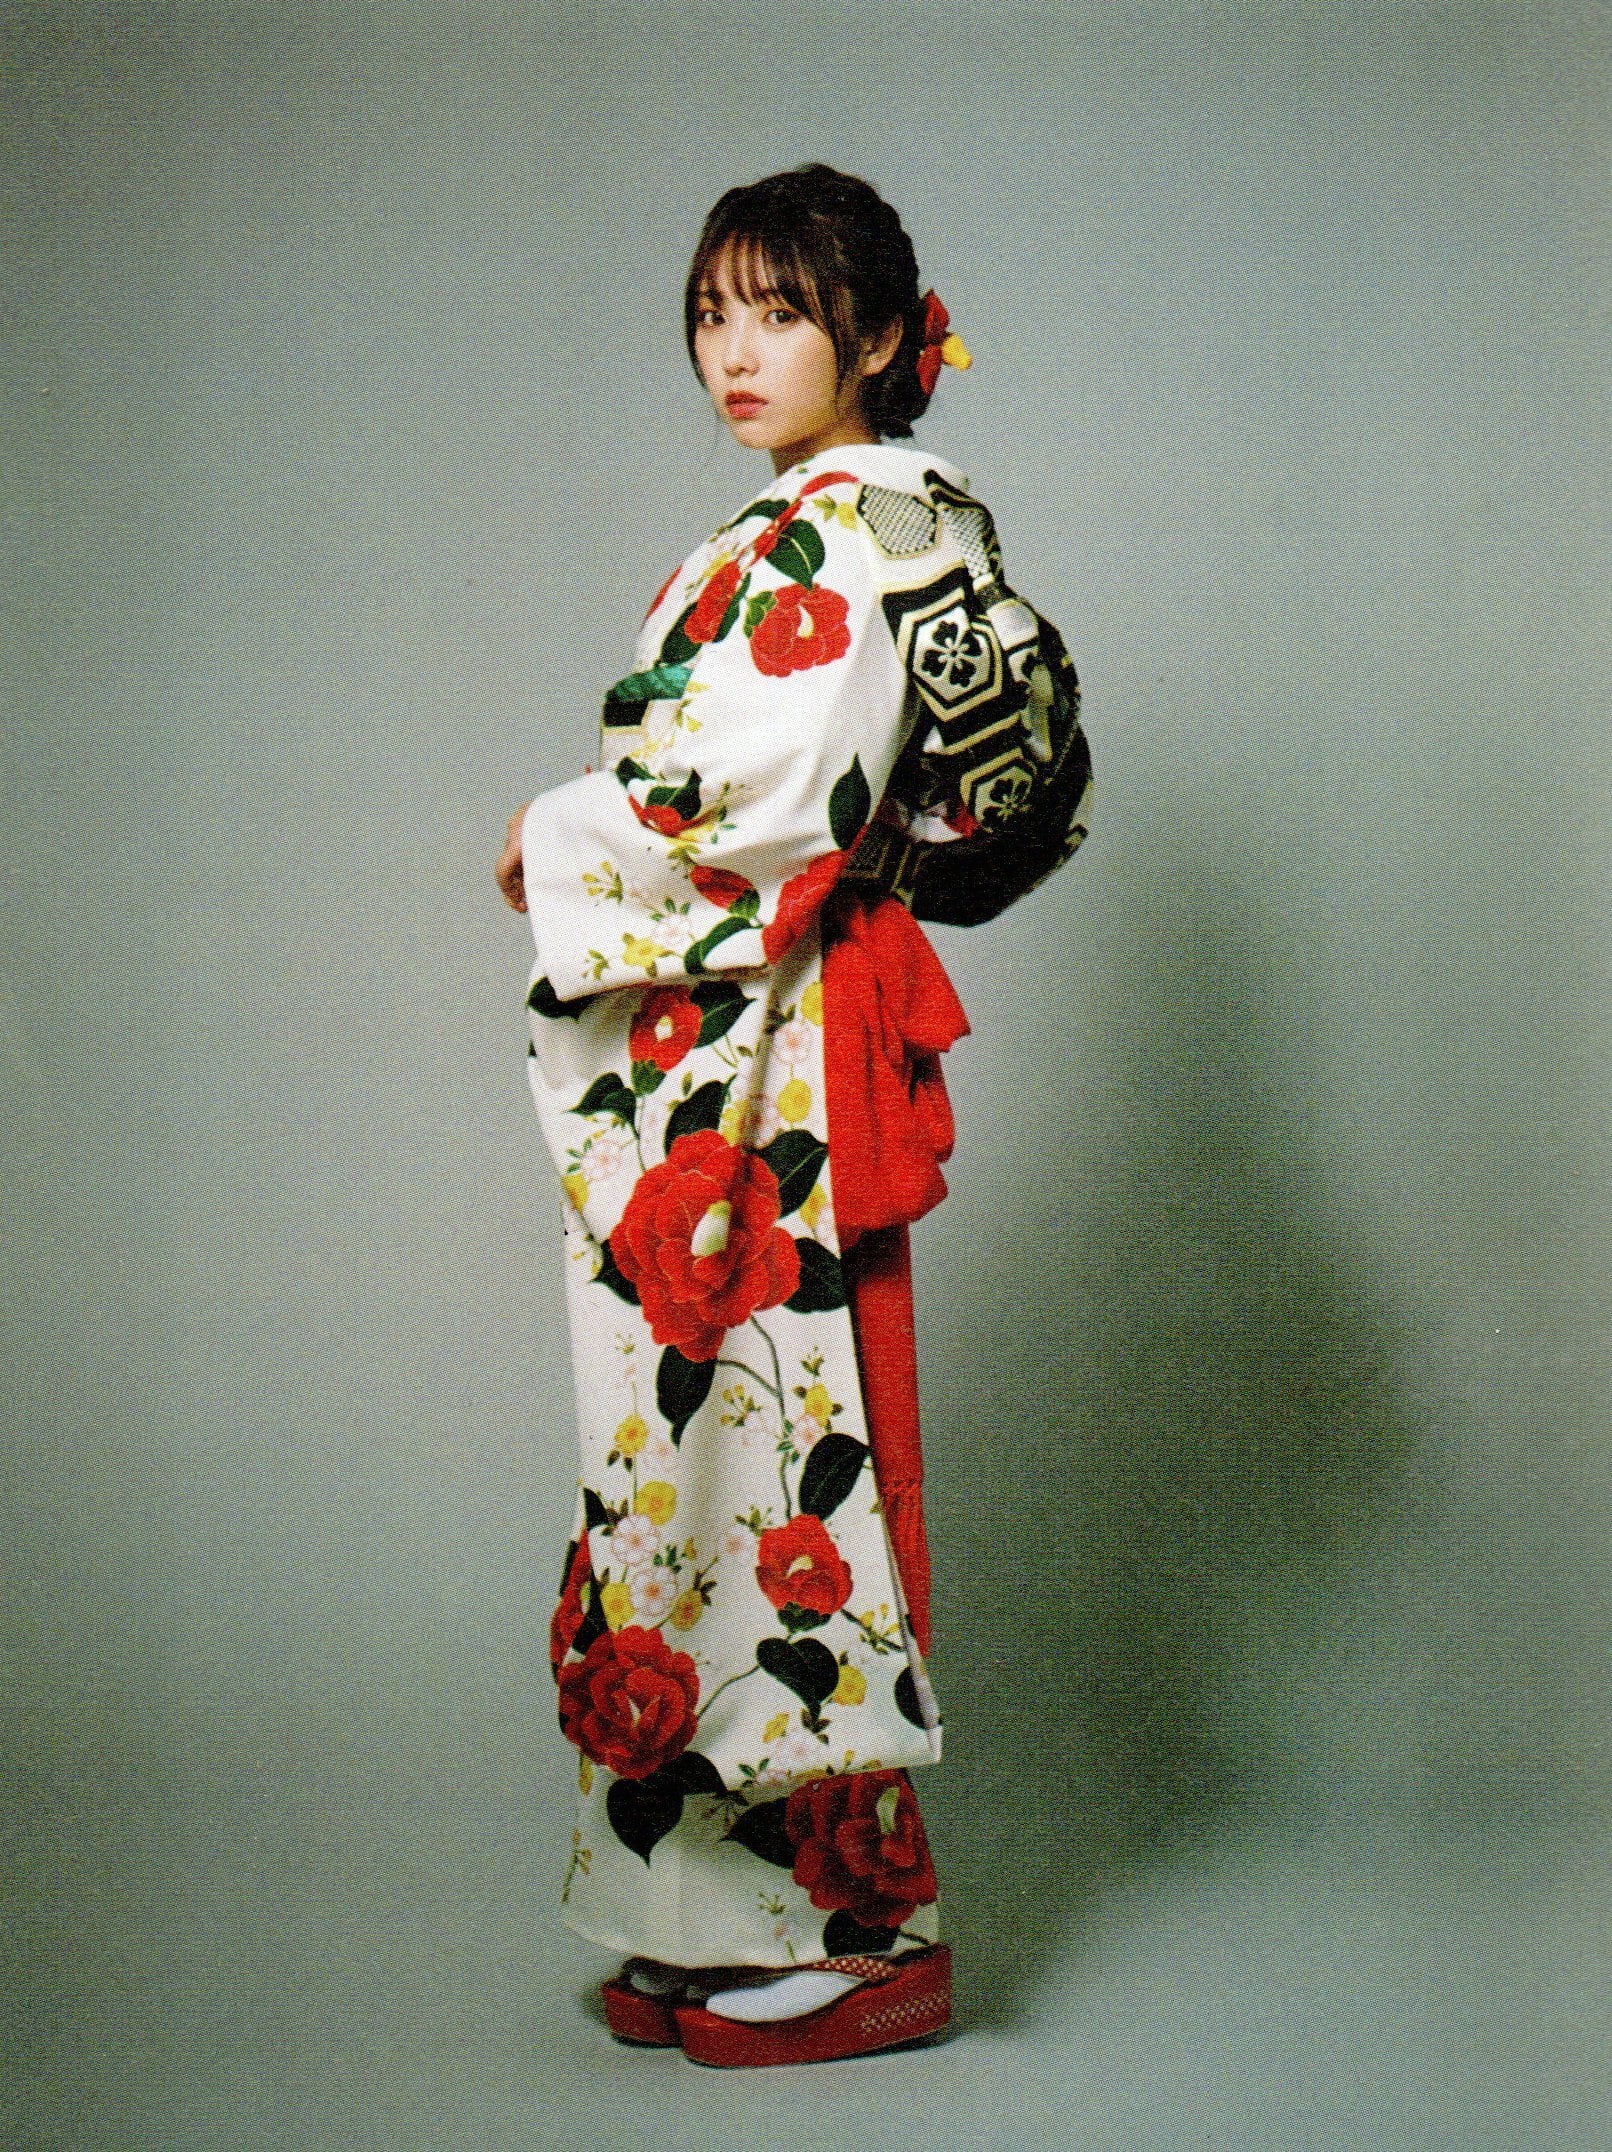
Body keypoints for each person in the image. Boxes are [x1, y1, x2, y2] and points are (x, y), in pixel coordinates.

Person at [496, 163, 1091, 2066]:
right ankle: (713, 1912)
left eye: (779, 312)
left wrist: (560, 838)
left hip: (779, 1053)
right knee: (703, 1461)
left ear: (881, 333)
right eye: (712, 313)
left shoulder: (857, 529)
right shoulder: (852, 522)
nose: (734, 354)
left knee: (776, 1452)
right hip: (738, 1028)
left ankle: (862, 1933)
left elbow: (757, 788)